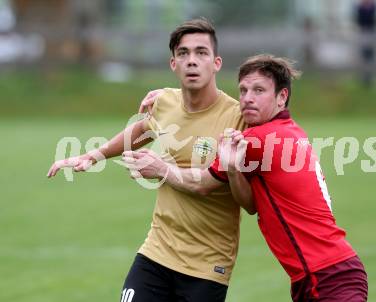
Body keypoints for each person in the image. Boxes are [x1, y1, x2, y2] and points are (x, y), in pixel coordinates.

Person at [124, 54, 368, 301]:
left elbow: (203, 184)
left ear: (282, 97)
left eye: (259, 90)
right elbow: (251, 205)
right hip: (325, 273)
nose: (248, 98)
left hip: (326, 276)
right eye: (243, 90)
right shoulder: (286, 131)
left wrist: (160, 168)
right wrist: (232, 170)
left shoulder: (260, 139)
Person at [48, 18, 246, 302]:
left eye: (201, 53)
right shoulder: (164, 102)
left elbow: (207, 184)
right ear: (173, 64)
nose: (192, 61)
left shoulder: (236, 117)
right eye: (183, 53)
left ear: (216, 63)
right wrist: (94, 155)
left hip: (207, 264)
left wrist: (162, 170)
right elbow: (143, 128)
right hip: (156, 253)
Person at [354, 0, 376, 88]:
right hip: (363, 33)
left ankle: (370, 78)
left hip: (371, 34)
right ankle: (363, 78)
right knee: (363, 56)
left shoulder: (374, 7)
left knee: (371, 57)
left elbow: (374, 21)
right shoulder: (360, 8)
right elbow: (359, 21)